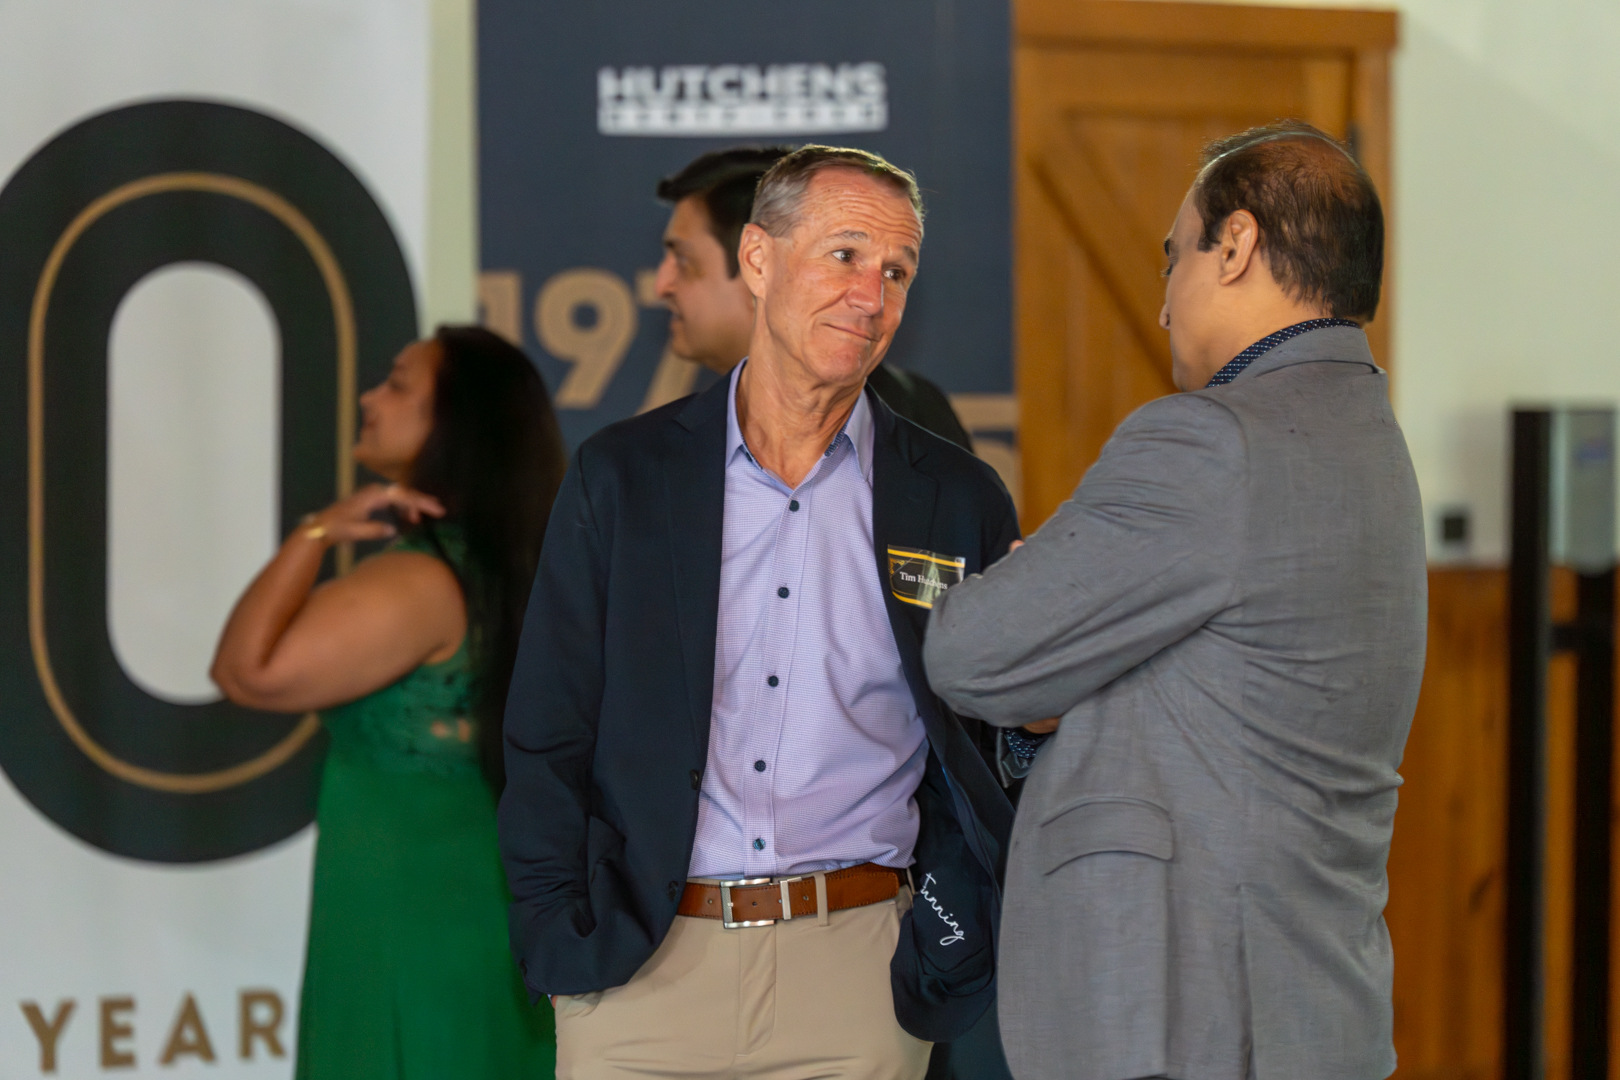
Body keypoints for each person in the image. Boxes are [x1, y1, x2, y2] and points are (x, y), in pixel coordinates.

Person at [499, 145, 1018, 1080]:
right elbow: (549, 725)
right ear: (757, 258)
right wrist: (557, 939)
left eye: (897, 271)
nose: (872, 295)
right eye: (846, 255)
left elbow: (973, 750)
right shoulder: (624, 476)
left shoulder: (956, 498)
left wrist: (941, 941)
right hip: (639, 970)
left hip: (857, 973)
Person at [923, 121, 1426, 1080]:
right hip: (1307, 1009)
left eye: (1172, 257)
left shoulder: (1208, 442)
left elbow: (974, 652)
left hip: (1185, 1018)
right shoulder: (1370, 436)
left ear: (1234, 246)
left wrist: (1053, 646)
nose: (1161, 308)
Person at [211, 326, 566, 1079]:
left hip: (412, 940)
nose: (372, 397)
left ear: (457, 423)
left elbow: (249, 671)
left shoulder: (421, 582)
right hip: (466, 932)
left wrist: (314, 532)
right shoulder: (496, 570)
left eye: (399, 383)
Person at [651, 145, 972, 451]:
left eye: (684, 260)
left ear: (756, 260)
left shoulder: (917, 432)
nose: (661, 285)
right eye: (845, 256)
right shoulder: (638, 459)